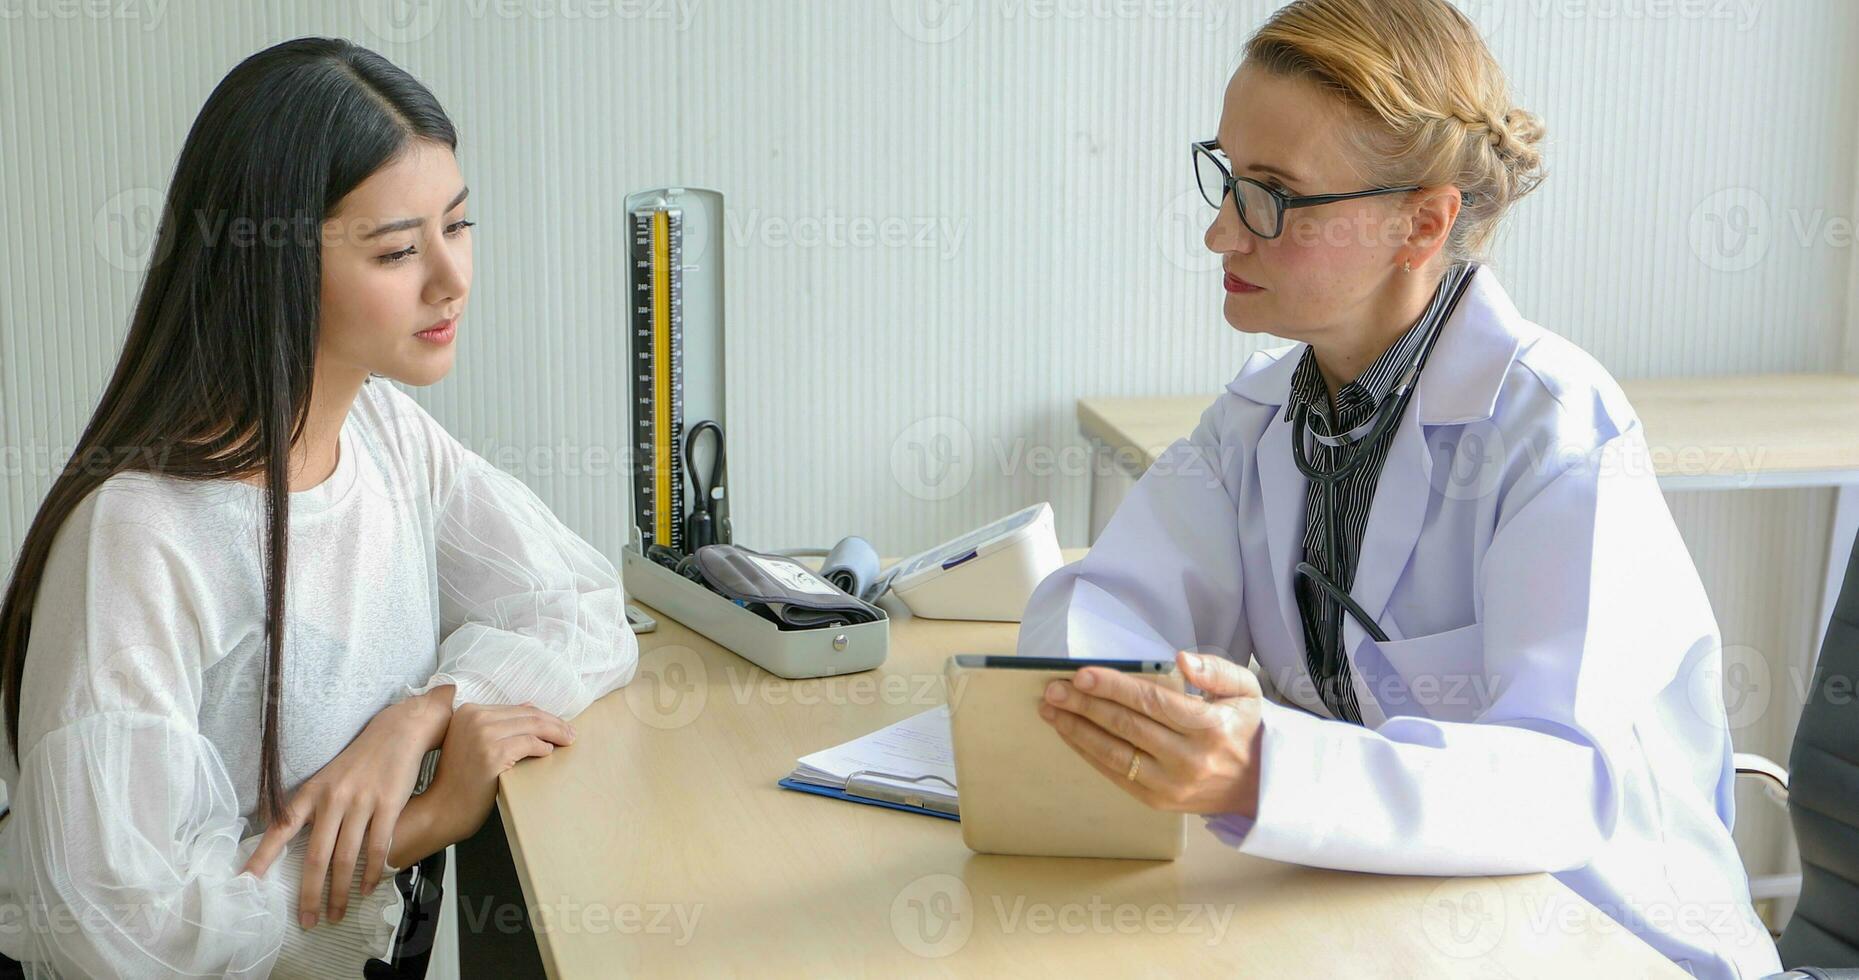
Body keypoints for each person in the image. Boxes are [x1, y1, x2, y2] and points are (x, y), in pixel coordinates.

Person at [1017, 2, 1782, 976]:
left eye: (1271, 195)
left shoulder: (1554, 431)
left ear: (1420, 220)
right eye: (1226, 179)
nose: (1219, 233)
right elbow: (1098, 599)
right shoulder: (1258, 419)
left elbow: (1555, 785)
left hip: (1604, 940)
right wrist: (1131, 708)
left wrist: (1261, 767)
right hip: (1393, 927)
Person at [0, 38, 638, 977]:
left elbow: (584, 602)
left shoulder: (385, 431)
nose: (451, 279)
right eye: (397, 250)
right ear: (272, 265)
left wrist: (424, 714)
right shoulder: (142, 536)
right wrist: (422, 823)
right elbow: (118, 933)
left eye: (457, 225)